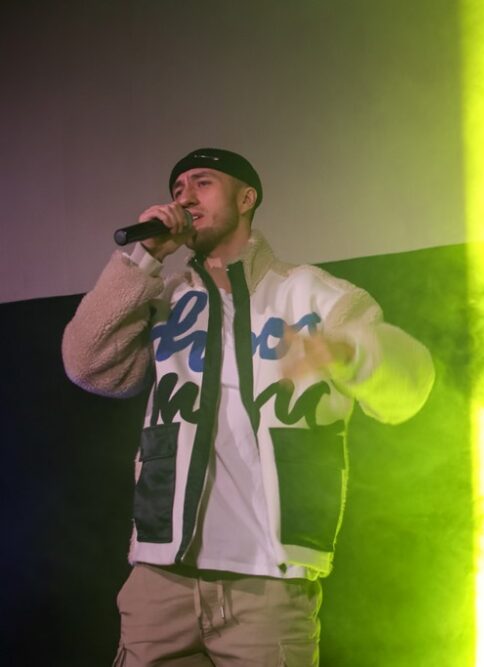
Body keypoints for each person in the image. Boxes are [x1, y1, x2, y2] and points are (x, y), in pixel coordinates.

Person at [63, 148, 435, 666]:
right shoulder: (163, 298)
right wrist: (143, 258)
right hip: (160, 578)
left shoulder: (313, 294)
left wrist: (350, 352)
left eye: (202, 183)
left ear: (246, 198)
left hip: (268, 582)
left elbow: (411, 383)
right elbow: (87, 363)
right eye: (177, 190)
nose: (185, 198)